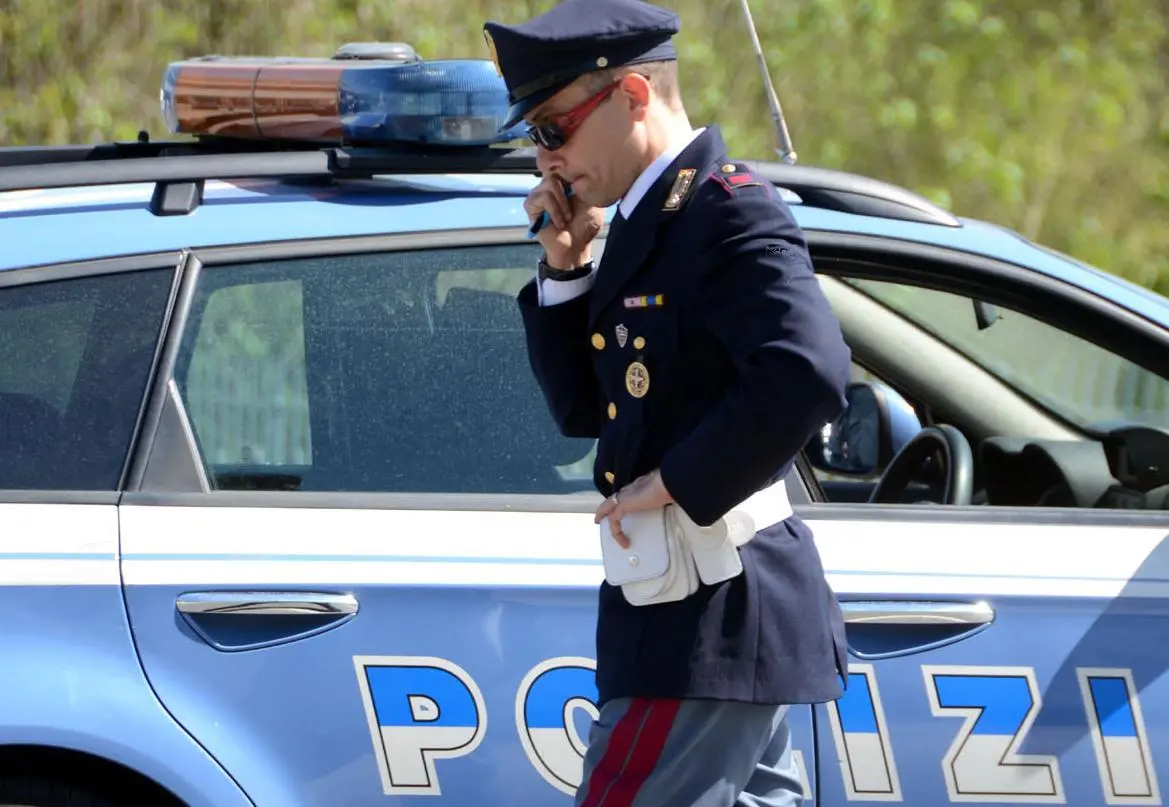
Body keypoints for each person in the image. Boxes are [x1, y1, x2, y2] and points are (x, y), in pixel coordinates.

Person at [484, 1, 853, 804]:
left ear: (631, 97)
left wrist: (678, 480)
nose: (544, 159)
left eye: (553, 127)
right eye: (534, 137)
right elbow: (585, 413)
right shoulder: (646, 223)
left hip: (707, 607)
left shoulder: (723, 209)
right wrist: (567, 266)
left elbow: (809, 368)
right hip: (681, 609)